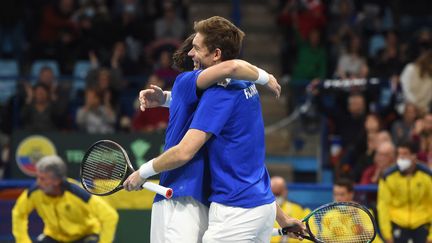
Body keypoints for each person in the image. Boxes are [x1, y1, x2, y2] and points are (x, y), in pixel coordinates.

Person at [125, 16, 304, 242]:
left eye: (197, 48)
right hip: (250, 204)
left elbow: (184, 152)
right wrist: (282, 216)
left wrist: (142, 173)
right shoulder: (246, 87)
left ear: (216, 54)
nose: (192, 53)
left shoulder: (208, 88)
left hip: (201, 203)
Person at [12, 155, 119, 243]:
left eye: (43, 179)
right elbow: (18, 213)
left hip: (85, 236)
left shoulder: (79, 194)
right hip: (54, 237)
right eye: (38, 177)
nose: (38, 182)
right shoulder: (34, 192)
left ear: (57, 180)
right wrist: (23, 240)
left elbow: (110, 216)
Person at [377, 141, 432, 243]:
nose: (401, 157)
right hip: (397, 224)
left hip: (422, 224)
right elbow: (383, 206)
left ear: (414, 156)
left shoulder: (427, 176)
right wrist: (387, 234)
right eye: (399, 154)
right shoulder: (387, 177)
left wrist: (431, 236)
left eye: (405, 154)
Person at [270, 176, 310, 243]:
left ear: (285, 191)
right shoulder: (261, 211)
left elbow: (309, 233)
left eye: (278, 193)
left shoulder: (301, 209)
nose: (276, 197)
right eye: (274, 193)